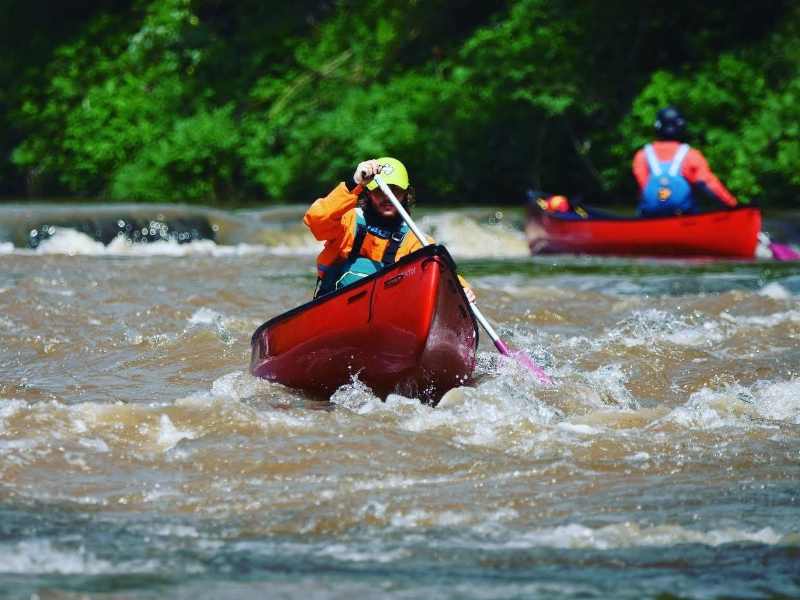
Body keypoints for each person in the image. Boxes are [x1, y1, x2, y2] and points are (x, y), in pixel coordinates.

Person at [304, 157, 476, 302]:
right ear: (368, 194)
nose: (387, 197)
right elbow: (316, 220)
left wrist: (462, 289)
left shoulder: (414, 239)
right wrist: (354, 183)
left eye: (395, 190)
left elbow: (438, 270)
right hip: (337, 305)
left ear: (406, 194)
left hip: (385, 310)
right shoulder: (347, 220)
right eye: (379, 190)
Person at [632, 106, 738, 217]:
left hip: (649, 218)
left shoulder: (642, 156)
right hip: (684, 218)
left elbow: (643, 188)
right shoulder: (692, 156)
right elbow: (711, 185)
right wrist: (733, 205)